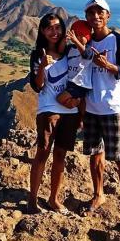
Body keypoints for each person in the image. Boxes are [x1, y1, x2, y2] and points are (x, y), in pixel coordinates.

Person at [79, 0, 120, 226]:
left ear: (108, 16)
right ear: (86, 17)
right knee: (96, 155)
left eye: (99, 12)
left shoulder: (117, 41)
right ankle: (98, 194)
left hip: (113, 108)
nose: (95, 16)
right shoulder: (87, 44)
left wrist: (109, 66)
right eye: (91, 13)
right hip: (92, 107)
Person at [27, 12, 79, 214]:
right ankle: (32, 199)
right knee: (43, 153)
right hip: (49, 110)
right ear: (42, 31)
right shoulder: (37, 55)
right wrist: (43, 67)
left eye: (58, 27)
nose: (54, 31)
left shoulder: (70, 52)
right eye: (49, 28)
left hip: (70, 111)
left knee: (60, 156)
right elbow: (37, 86)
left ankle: (53, 199)